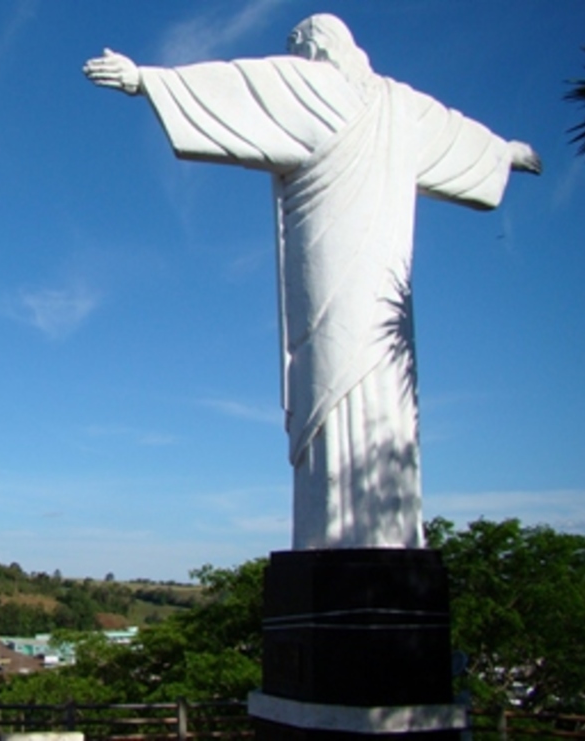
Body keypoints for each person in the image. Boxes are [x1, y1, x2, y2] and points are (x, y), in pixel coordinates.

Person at [84, 14, 540, 550]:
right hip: (330, 266)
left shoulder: (372, 99)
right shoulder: (354, 96)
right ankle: (343, 534)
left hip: (375, 272)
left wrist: (143, 79)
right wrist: (144, 80)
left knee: (378, 374)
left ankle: (376, 539)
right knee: (335, 370)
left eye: (296, 44)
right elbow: (239, 88)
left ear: (314, 46)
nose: (294, 53)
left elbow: (446, 133)